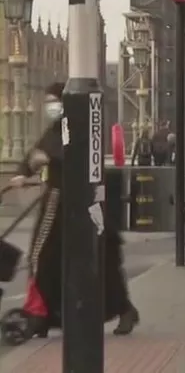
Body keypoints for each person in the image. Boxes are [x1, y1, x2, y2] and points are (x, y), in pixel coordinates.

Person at [6, 83, 140, 336]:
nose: (51, 107)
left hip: (72, 202)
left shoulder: (78, 127)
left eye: (54, 102)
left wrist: (48, 159)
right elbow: (36, 153)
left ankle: (118, 308)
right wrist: (23, 172)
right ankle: (46, 312)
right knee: (59, 258)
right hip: (68, 201)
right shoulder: (57, 129)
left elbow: (74, 156)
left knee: (63, 256)